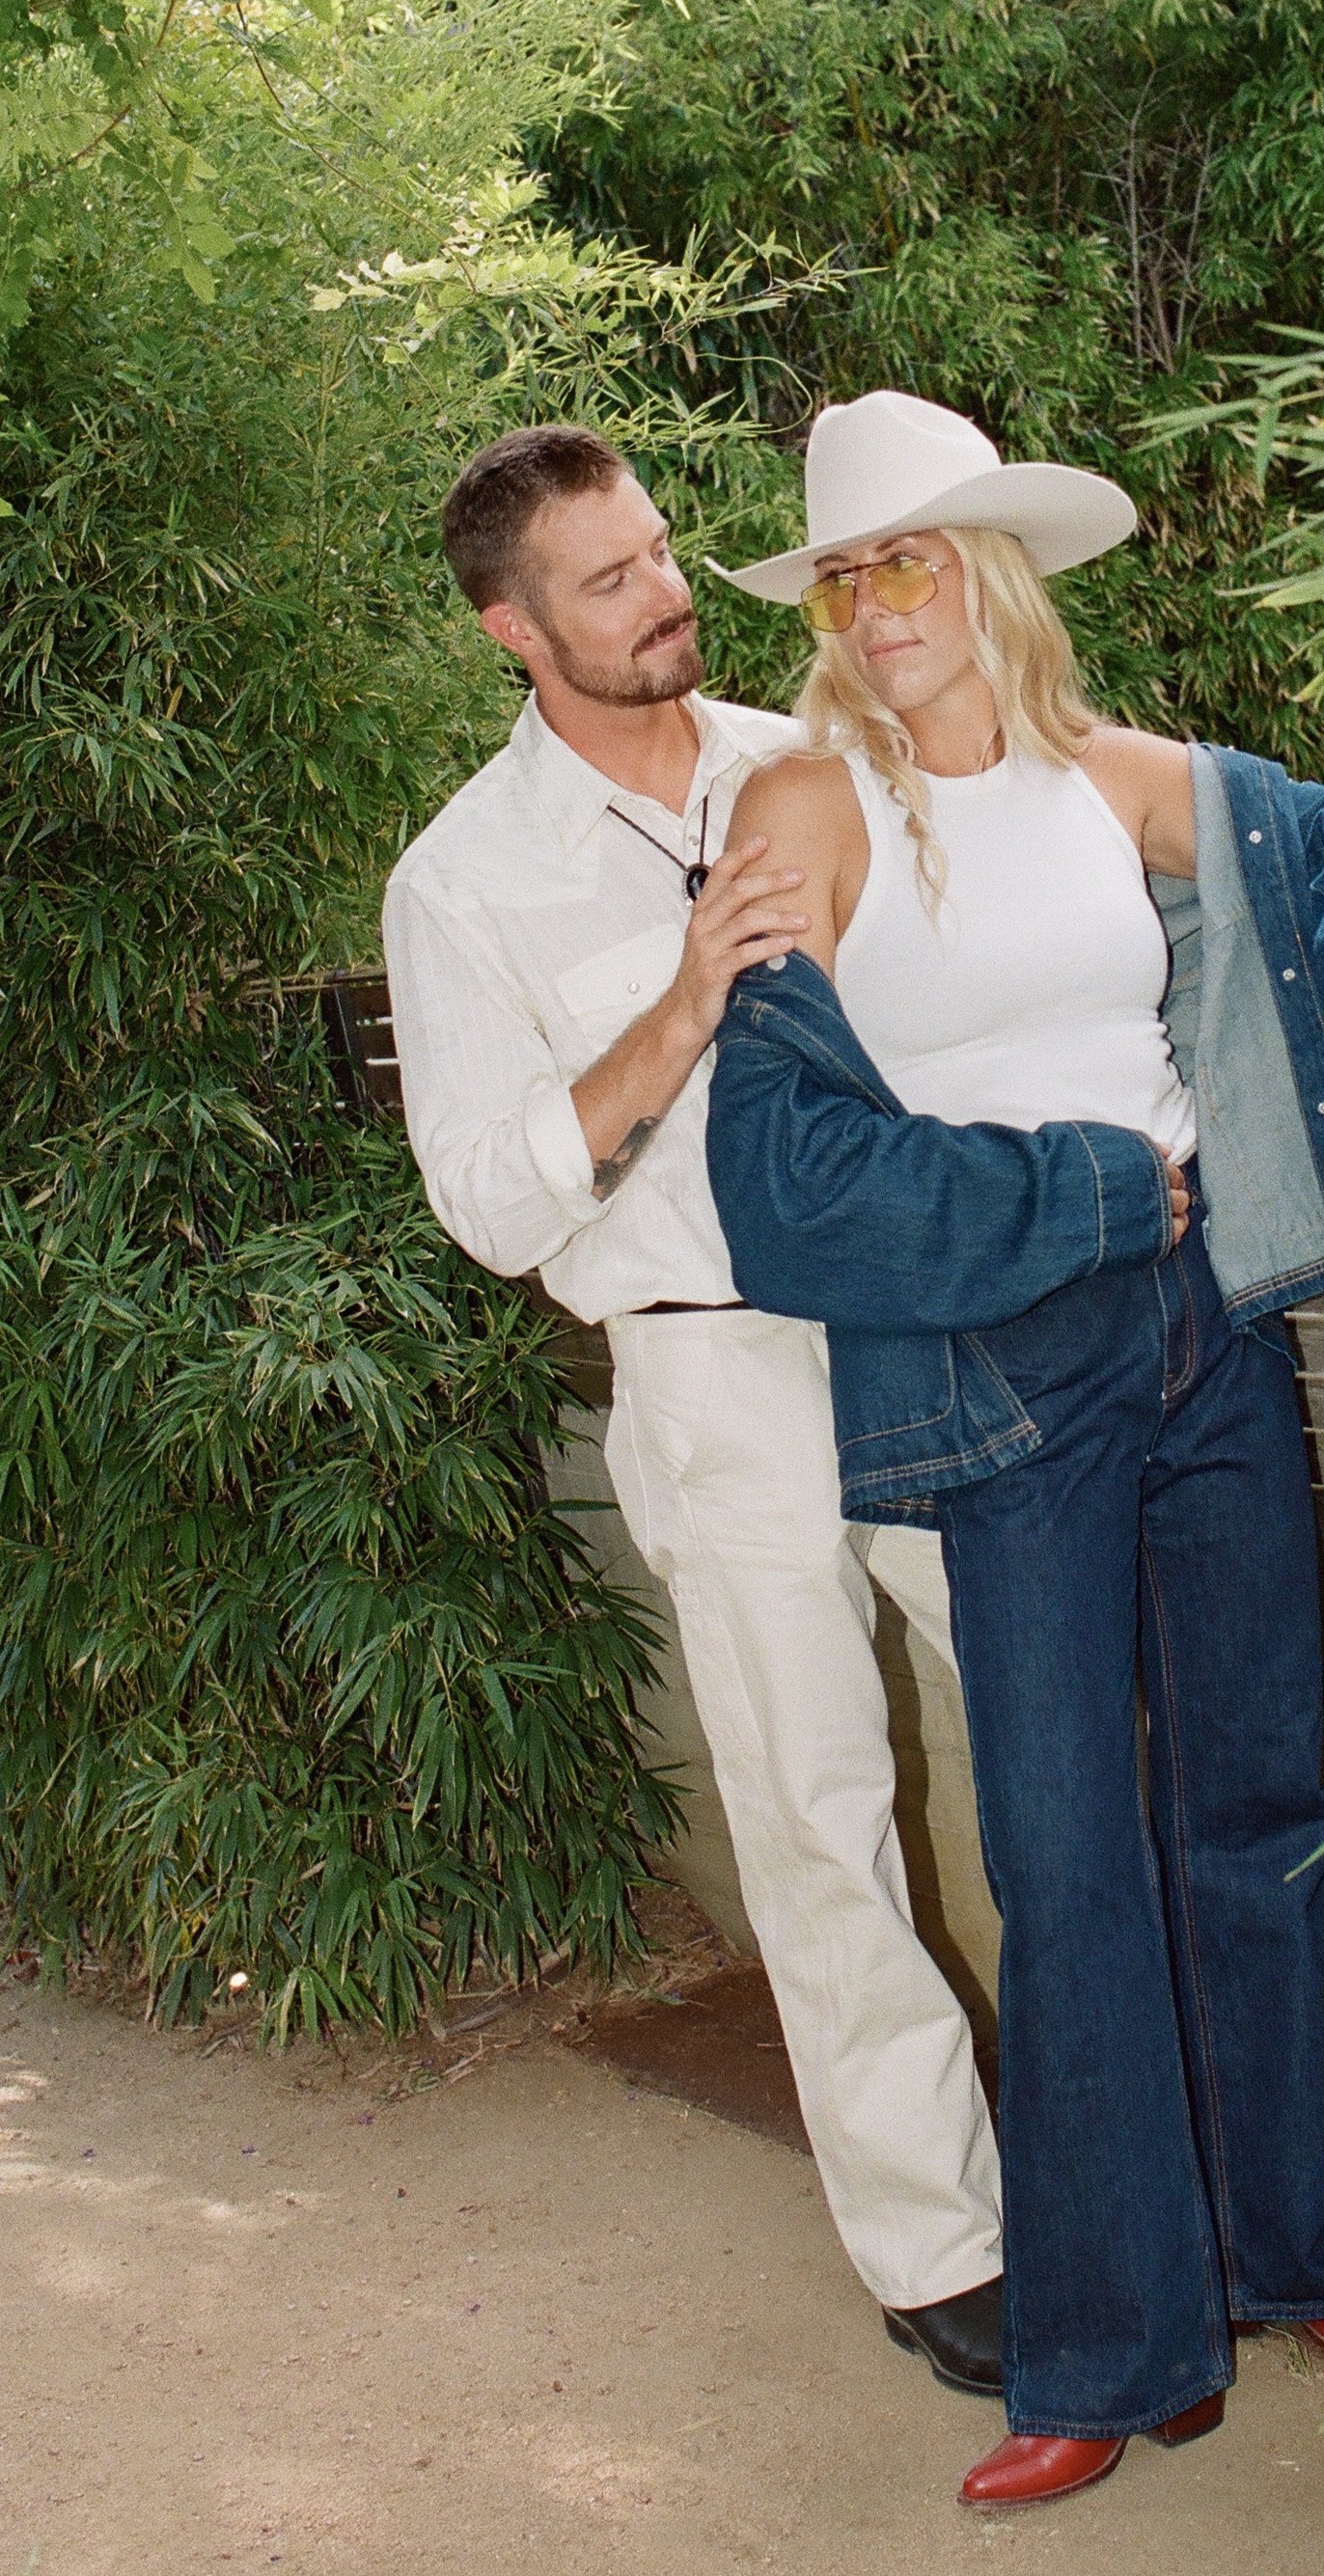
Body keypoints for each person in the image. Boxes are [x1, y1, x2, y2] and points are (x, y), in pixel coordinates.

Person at [703, 391, 1324, 2513]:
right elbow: (783, 1185)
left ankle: (1299, 2255)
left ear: (991, 572)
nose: (878, 610)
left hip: (1207, 1334)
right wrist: (1080, 1187)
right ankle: (1103, 2345)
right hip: (1002, 1362)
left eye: (909, 562)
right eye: (843, 581)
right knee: (1063, 1860)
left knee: (1256, 1801)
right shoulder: (802, 806)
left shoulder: (1110, 777)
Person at [381, 423, 1008, 2396]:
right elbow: (489, 1204)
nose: (664, 596)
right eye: (608, 579)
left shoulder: (817, 755)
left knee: (1083, 1733)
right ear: (512, 628)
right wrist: (675, 1009)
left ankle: (1172, 2165)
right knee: (821, 1824)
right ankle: (946, 2250)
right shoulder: (461, 881)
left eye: (659, 552)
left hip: (919, 1325)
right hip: (707, 1371)